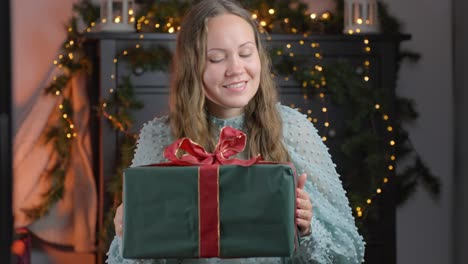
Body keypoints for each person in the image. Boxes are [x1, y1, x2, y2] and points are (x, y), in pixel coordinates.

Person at [106, 0, 365, 263]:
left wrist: (307, 230)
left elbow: (350, 254)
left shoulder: (293, 129)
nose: (236, 69)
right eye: (217, 58)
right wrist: (128, 234)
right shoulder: (160, 136)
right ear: (191, 66)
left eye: (245, 53)